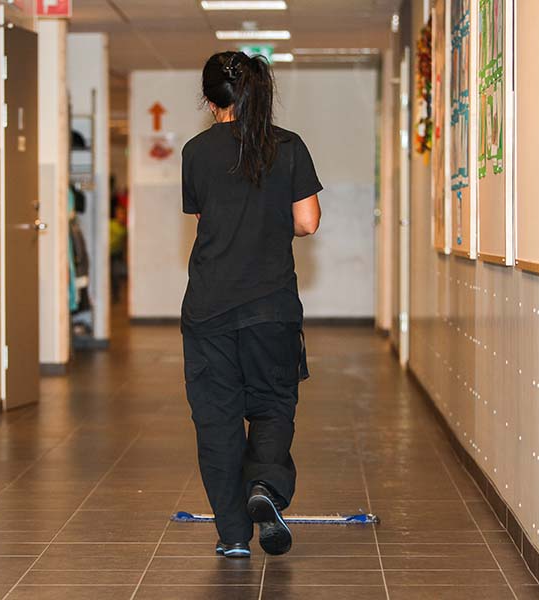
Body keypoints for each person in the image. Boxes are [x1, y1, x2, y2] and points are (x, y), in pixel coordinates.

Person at [180, 51, 322, 559]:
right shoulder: (287, 146)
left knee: (216, 418)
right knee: (272, 403)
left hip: (208, 307)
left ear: (208, 96)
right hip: (271, 306)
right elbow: (307, 222)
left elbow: (204, 218)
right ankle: (264, 485)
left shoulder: (195, 151)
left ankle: (233, 534)